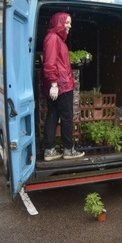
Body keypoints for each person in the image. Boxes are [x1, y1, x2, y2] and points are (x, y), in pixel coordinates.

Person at [42, 12, 85, 161]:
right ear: (58, 22)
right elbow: (49, 63)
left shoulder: (56, 39)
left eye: (70, 23)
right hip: (62, 86)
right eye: (66, 22)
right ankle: (68, 150)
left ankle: (49, 150)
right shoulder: (53, 39)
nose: (69, 26)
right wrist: (54, 83)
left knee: (52, 116)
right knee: (67, 118)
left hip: (57, 85)